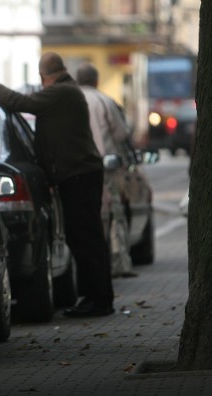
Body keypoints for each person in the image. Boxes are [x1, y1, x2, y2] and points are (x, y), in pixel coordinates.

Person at [0, 52, 114, 317]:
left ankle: (98, 300)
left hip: (79, 176)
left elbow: (20, 102)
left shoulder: (61, 93)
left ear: (43, 78)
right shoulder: (67, 92)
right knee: (85, 237)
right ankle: (96, 297)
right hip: (79, 175)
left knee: (86, 238)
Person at [76, 62, 136, 278]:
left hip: (79, 167)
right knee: (114, 212)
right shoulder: (104, 101)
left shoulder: (72, 100)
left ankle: (94, 266)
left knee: (90, 214)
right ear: (96, 80)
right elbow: (121, 134)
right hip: (106, 166)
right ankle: (119, 263)